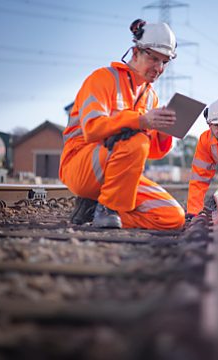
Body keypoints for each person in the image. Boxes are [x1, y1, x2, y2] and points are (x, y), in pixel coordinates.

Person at [59, 19, 185, 229]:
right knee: (136, 141)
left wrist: (164, 131)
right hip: (81, 166)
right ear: (135, 53)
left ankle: (94, 213)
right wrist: (141, 120)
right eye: (154, 58)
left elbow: (148, 152)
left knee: (173, 217)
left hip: (121, 177)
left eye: (164, 62)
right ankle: (108, 208)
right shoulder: (102, 79)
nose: (159, 68)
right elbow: (92, 129)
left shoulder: (150, 97)